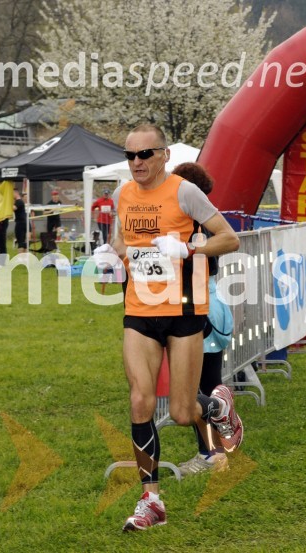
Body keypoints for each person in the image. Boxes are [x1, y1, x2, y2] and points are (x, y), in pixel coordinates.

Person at [91, 124, 242, 531]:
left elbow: (230, 239)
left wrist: (189, 247)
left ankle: (214, 407)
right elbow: (123, 242)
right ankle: (151, 500)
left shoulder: (184, 192)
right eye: (130, 156)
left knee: (179, 411)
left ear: (164, 156)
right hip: (139, 308)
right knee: (140, 400)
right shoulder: (124, 194)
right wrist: (113, 252)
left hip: (184, 310)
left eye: (145, 155)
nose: (136, 163)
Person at [171, 162, 234, 476]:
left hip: (198, 305)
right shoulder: (205, 221)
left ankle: (210, 452)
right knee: (210, 382)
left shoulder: (193, 225)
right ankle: (215, 452)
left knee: (195, 387)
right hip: (208, 302)